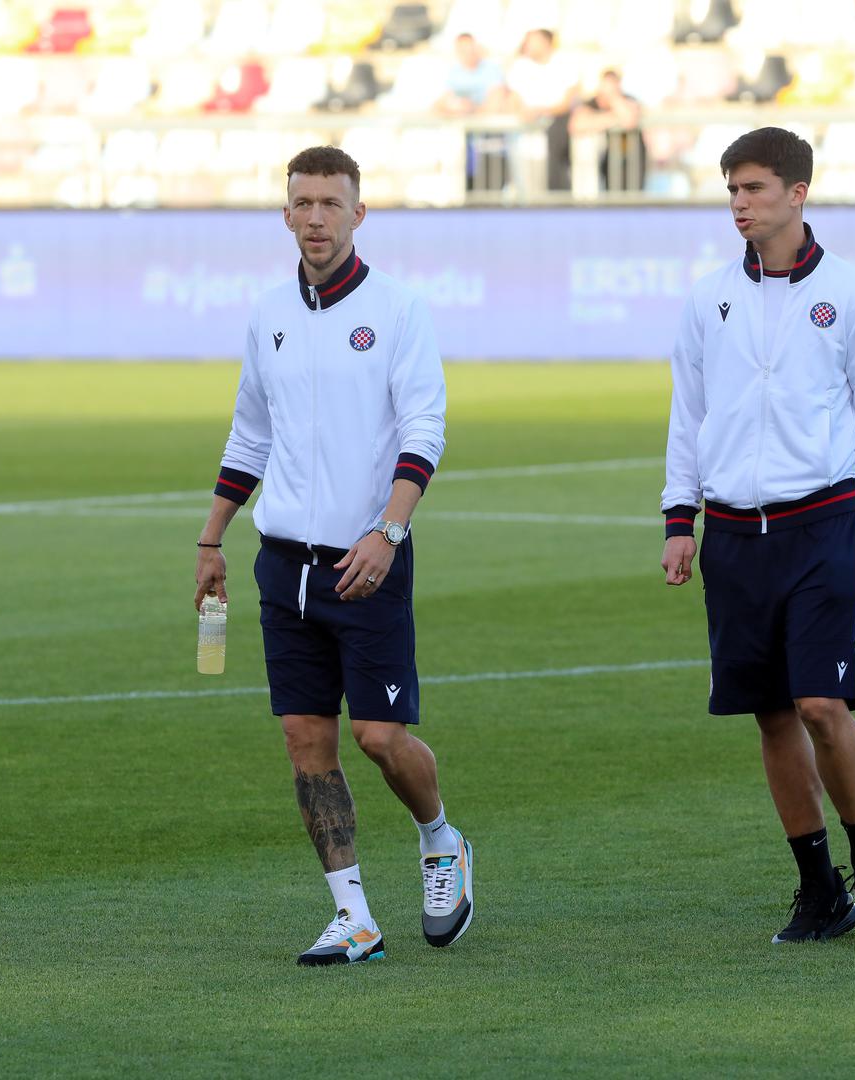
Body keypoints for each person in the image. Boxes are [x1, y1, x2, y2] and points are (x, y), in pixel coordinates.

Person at [194, 145, 472, 966]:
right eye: (302, 202)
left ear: (358, 212)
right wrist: (211, 536)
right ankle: (352, 914)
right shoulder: (269, 313)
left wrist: (386, 531)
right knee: (304, 743)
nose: (315, 217)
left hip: (366, 562)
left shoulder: (396, 310)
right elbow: (251, 435)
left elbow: (424, 430)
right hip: (282, 565)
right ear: (285, 213)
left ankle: (440, 839)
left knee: (380, 738)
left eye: (330, 202)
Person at [659, 127, 855, 944]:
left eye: (755, 189)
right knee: (770, 714)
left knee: (820, 704)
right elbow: (688, 416)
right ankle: (817, 888)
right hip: (732, 535)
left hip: (820, 524)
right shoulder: (705, 298)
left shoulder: (852, 293)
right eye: (732, 189)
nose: (740, 203)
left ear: (797, 194)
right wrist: (678, 519)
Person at [435, 32, 508, 193]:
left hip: (489, 140)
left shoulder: (491, 70)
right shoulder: (454, 73)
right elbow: (439, 105)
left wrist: (472, 110)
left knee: (490, 188)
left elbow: (496, 102)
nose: (468, 54)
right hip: (465, 144)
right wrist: (454, 109)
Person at [505, 28, 576, 192]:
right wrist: (523, 113)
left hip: (557, 135)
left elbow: (567, 102)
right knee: (529, 188)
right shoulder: (520, 66)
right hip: (525, 136)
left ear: (546, 42)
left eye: (532, 41)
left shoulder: (564, 64)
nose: (527, 45)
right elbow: (513, 99)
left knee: (555, 184)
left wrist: (541, 111)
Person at [568, 69, 647, 193]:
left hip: (628, 163)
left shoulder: (628, 99)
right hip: (604, 163)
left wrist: (614, 99)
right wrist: (614, 118)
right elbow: (576, 125)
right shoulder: (591, 103)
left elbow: (629, 120)